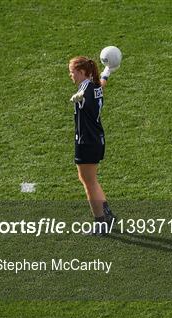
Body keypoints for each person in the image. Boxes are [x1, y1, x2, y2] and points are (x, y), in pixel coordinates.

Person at [68, 56, 115, 235]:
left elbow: (84, 96)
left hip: (86, 141)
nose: (70, 75)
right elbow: (102, 83)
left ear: (81, 72)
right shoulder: (95, 85)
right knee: (90, 180)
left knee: (89, 183)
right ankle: (107, 213)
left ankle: (100, 223)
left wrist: (79, 97)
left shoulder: (85, 91)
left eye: (72, 72)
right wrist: (107, 72)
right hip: (97, 139)